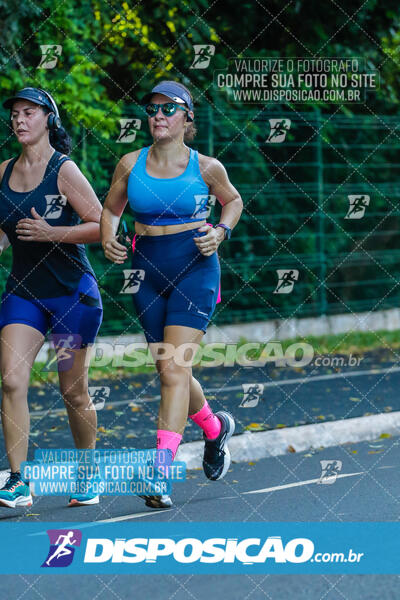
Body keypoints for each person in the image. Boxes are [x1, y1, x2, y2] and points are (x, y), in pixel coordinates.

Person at [101, 80, 243, 509]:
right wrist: (109, 239)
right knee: (169, 370)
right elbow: (111, 209)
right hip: (147, 270)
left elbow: (232, 201)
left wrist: (220, 232)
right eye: (152, 108)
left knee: (175, 368)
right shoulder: (130, 163)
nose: (158, 115)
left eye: (168, 109)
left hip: (195, 267)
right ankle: (215, 428)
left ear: (187, 118)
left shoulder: (207, 167)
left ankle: (160, 471)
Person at [0, 87, 103, 508]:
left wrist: (51, 233)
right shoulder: (3, 171)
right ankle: (19, 481)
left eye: (29, 113)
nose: (19, 120)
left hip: (70, 295)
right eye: (14, 114)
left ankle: (88, 471)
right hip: (24, 292)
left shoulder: (64, 170)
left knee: (73, 392)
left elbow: (101, 224)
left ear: (48, 120)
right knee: (10, 380)